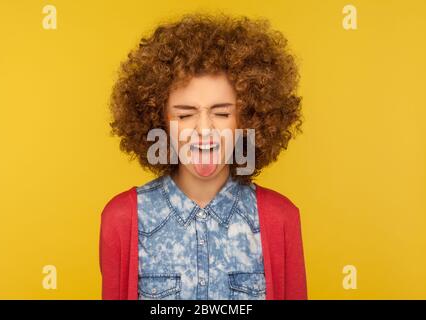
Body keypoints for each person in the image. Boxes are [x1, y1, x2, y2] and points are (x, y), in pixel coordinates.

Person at [99, 12, 307, 300]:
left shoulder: (280, 218)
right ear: (159, 121)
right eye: (185, 114)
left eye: (222, 113)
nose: (205, 130)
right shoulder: (123, 218)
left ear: (248, 119)